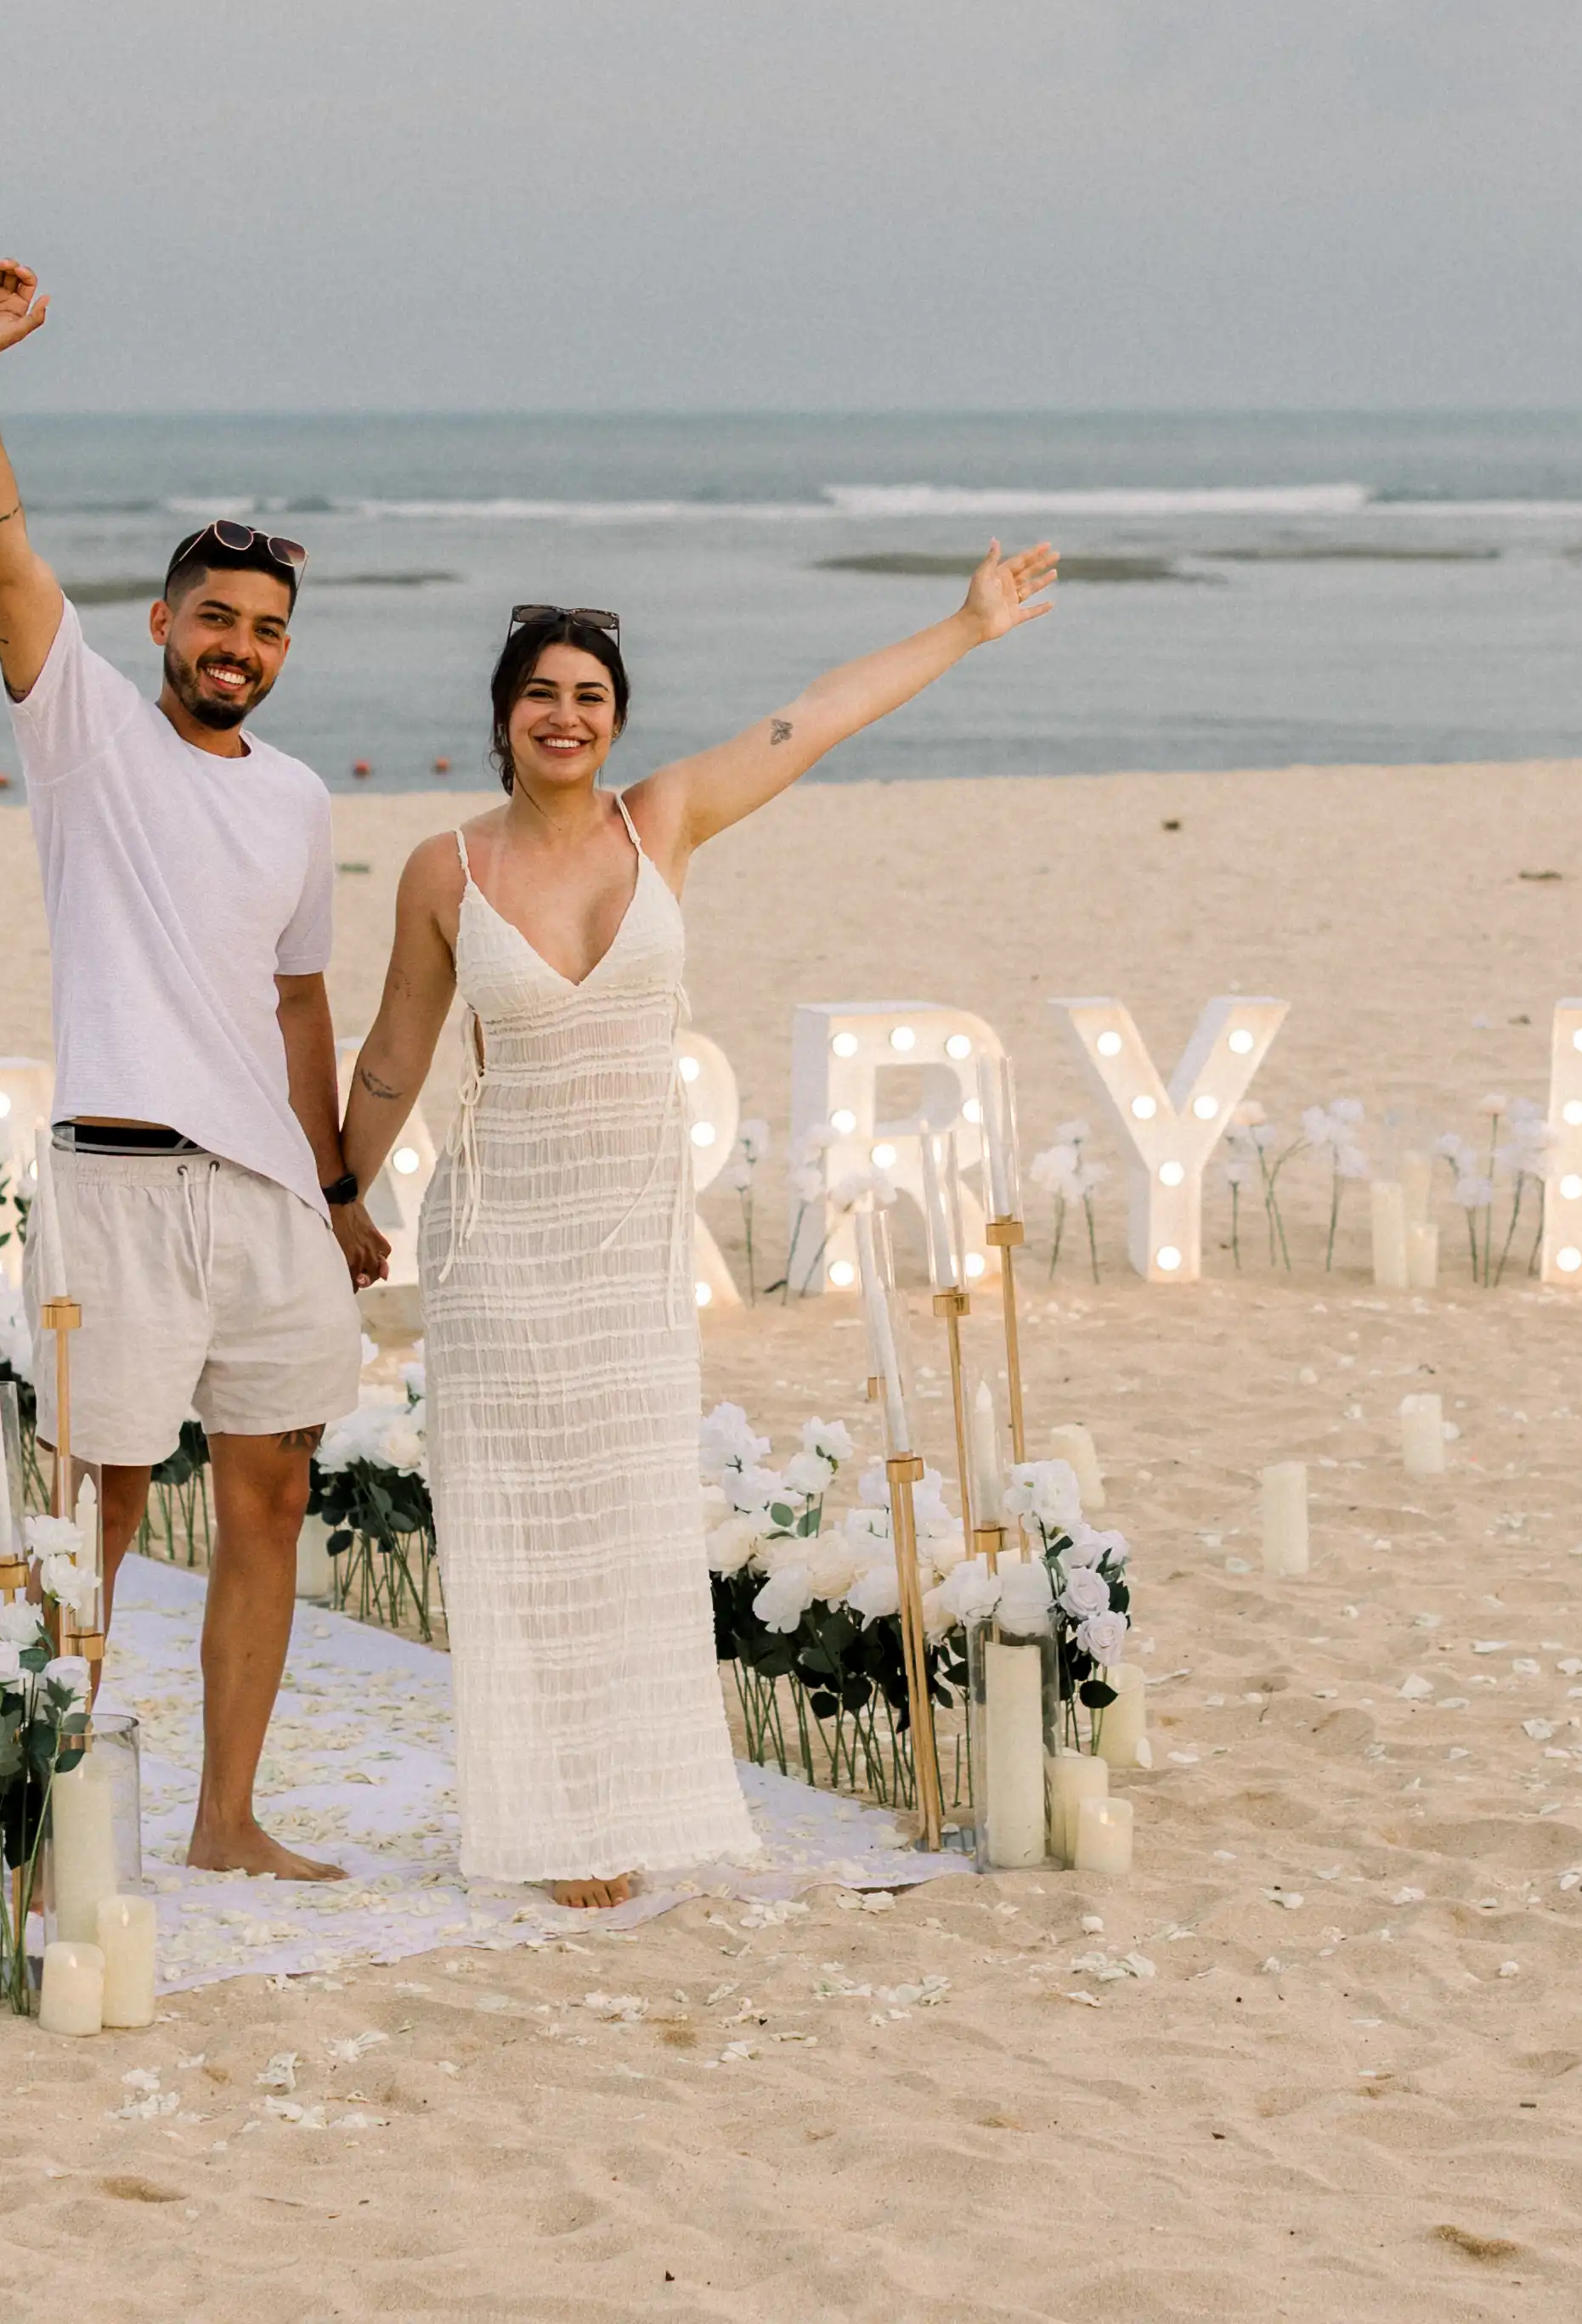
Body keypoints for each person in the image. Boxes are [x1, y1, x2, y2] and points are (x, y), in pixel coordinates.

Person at [341, 546, 1059, 1906]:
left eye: (592, 694)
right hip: (497, 1248)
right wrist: (339, 1195)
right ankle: (548, 1828)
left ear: (619, 716)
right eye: (542, 692)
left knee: (623, 1530)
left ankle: (619, 1803)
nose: (567, 714)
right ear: (501, 716)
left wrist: (965, 626)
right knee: (519, 1539)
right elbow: (394, 1049)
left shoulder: (660, 819)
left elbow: (819, 712)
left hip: (626, 1256)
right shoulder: (444, 870)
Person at [0, 258, 391, 1883]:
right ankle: (51, 1817)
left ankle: (225, 1821)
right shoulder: (86, 732)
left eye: (267, 630)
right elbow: (1, 548)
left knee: (270, 1507)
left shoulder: (297, 801)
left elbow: (298, 1007)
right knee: (101, 1511)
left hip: (272, 1196)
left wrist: (340, 1186)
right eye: (216, 618)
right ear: (163, 624)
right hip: (121, 1183)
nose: (240, 647)